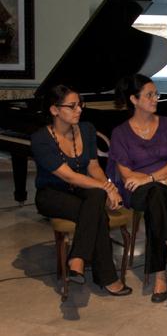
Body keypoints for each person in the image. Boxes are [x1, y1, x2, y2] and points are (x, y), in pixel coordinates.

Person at [31, 85, 131, 296]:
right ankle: (107, 277)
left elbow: (93, 167)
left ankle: (77, 259)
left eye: (80, 105)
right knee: (96, 213)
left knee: (95, 198)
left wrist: (109, 188)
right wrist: (108, 188)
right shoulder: (41, 138)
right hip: (52, 193)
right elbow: (69, 176)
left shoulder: (87, 129)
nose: (79, 110)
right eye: (72, 106)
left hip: (81, 189)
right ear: (54, 110)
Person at [106, 74, 167, 303]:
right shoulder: (121, 133)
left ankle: (160, 275)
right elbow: (127, 175)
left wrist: (150, 178)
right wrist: (153, 180)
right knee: (155, 195)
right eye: (149, 95)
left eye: (155, 94)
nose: (155, 99)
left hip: (166, 186)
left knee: (156, 198)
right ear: (134, 99)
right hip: (138, 190)